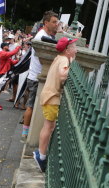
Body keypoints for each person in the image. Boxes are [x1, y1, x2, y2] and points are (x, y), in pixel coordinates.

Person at [33, 37, 77, 172]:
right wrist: (72, 63)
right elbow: (63, 75)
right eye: (74, 47)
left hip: (49, 95)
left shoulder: (59, 58)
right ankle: (41, 156)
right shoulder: (64, 59)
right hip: (52, 97)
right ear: (67, 50)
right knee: (48, 127)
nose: (76, 49)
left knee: (49, 126)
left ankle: (41, 154)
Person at [21, 11, 59, 142]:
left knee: (33, 105)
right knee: (32, 105)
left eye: (57, 22)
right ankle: (25, 134)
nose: (56, 24)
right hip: (37, 77)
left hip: (36, 76)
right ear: (46, 22)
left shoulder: (46, 35)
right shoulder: (41, 36)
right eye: (54, 22)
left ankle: (26, 131)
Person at [0, 42, 21, 110]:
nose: (9, 47)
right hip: (2, 73)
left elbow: (12, 62)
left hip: (4, 73)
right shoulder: (3, 53)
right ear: (4, 47)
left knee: (0, 89)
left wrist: (19, 60)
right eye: (8, 46)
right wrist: (18, 47)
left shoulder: (5, 55)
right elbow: (12, 53)